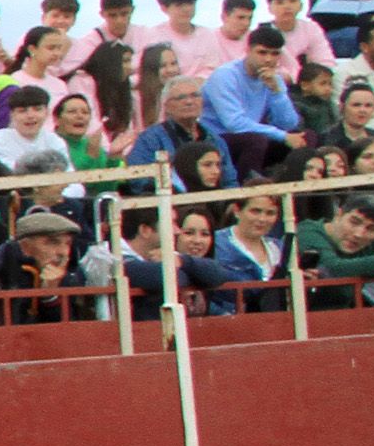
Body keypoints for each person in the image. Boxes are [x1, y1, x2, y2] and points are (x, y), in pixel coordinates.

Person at [203, 24, 308, 179]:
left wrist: (277, 93)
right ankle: (249, 191)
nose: (268, 59)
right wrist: (282, 136)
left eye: (274, 54)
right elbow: (234, 123)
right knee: (255, 140)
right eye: (262, 52)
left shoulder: (274, 78)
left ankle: (294, 192)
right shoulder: (225, 76)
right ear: (248, 50)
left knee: (305, 138)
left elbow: (289, 124)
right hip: (217, 138)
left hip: (253, 136)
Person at [122, 71, 236, 188]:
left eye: (195, 95)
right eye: (181, 98)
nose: (189, 101)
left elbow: (230, 181)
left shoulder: (215, 140)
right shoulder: (150, 139)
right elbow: (138, 180)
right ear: (166, 106)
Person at [0, 207, 88, 324]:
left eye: (68, 243)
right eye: (52, 242)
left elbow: (66, 334)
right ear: (25, 247)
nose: (63, 252)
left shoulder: (67, 275)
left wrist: (50, 295)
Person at [301, 190, 374, 307]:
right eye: (354, 222)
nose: (359, 234)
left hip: (341, 319)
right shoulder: (307, 231)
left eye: (371, 228)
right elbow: (332, 269)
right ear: (339, 214)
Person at [208, 189, 291, 309]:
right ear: (237, 211)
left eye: (270, 213)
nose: (262, 219)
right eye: (255, 211)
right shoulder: (214, 243)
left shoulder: (280, 248)